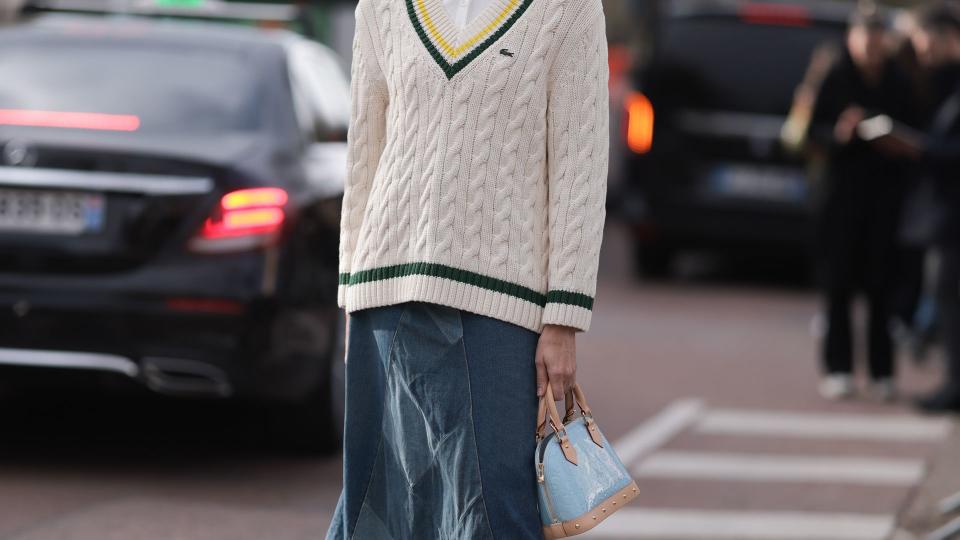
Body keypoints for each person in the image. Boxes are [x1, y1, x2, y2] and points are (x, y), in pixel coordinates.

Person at [326, 0, 610, 537]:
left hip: (499, 305)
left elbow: (581, 168)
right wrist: (350, 296)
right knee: (378, 507)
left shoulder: (570, 10)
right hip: (383, 293)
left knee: (496, 511)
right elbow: (364, 151)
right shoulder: (382, 7)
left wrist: (565, 317)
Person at [805, 7, 917, 402]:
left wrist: (896, 142)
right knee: (837, 286)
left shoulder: (899, 81)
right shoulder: (836, 76)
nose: (870, 48)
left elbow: (915, 134)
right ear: (852, 40)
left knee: (881, 287)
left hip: (885, 198)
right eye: (863, 40)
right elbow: (811, 135)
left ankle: (883, 372)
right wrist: (840, 133)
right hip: (840, 199)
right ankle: (839, 369)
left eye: (876, 41)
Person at [904, 3, 960, 413]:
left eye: (924, 42)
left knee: (950, 298)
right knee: (945, 298)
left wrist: (921, 149)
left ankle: (955, 386)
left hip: (955, 216)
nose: (920, 51)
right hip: (947, 214)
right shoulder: (942, 82)